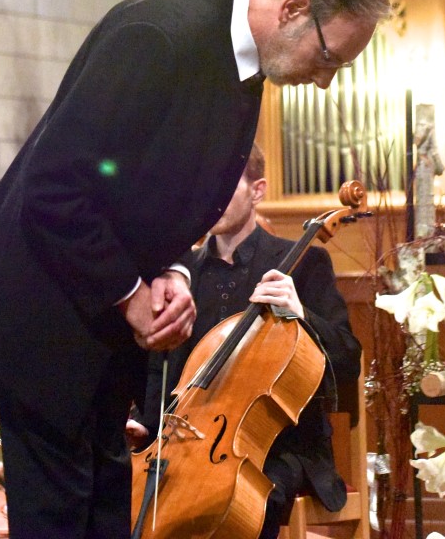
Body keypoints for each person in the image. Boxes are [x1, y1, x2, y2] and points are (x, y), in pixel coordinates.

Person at [0, 0, 390, 539]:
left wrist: (173, 272)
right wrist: (131, 294)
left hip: (98, 331)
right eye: (330, 57)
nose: (324, 82)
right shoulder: (159, 38)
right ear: (294, 7)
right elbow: (56, 191)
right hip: (44, 318)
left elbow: (154, 194)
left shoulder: (243, 65)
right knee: (60, 522)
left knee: (107, 517)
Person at [129, 142, 362, 539]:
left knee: (239, 497)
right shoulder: (186, 274)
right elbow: (163, 363)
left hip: (280, 447)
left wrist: (301, 314)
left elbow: (348, 358)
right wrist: (145, 425)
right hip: (186, 446)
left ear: (258, 191)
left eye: (225, 186)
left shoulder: (302, 261)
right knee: (126, 497)